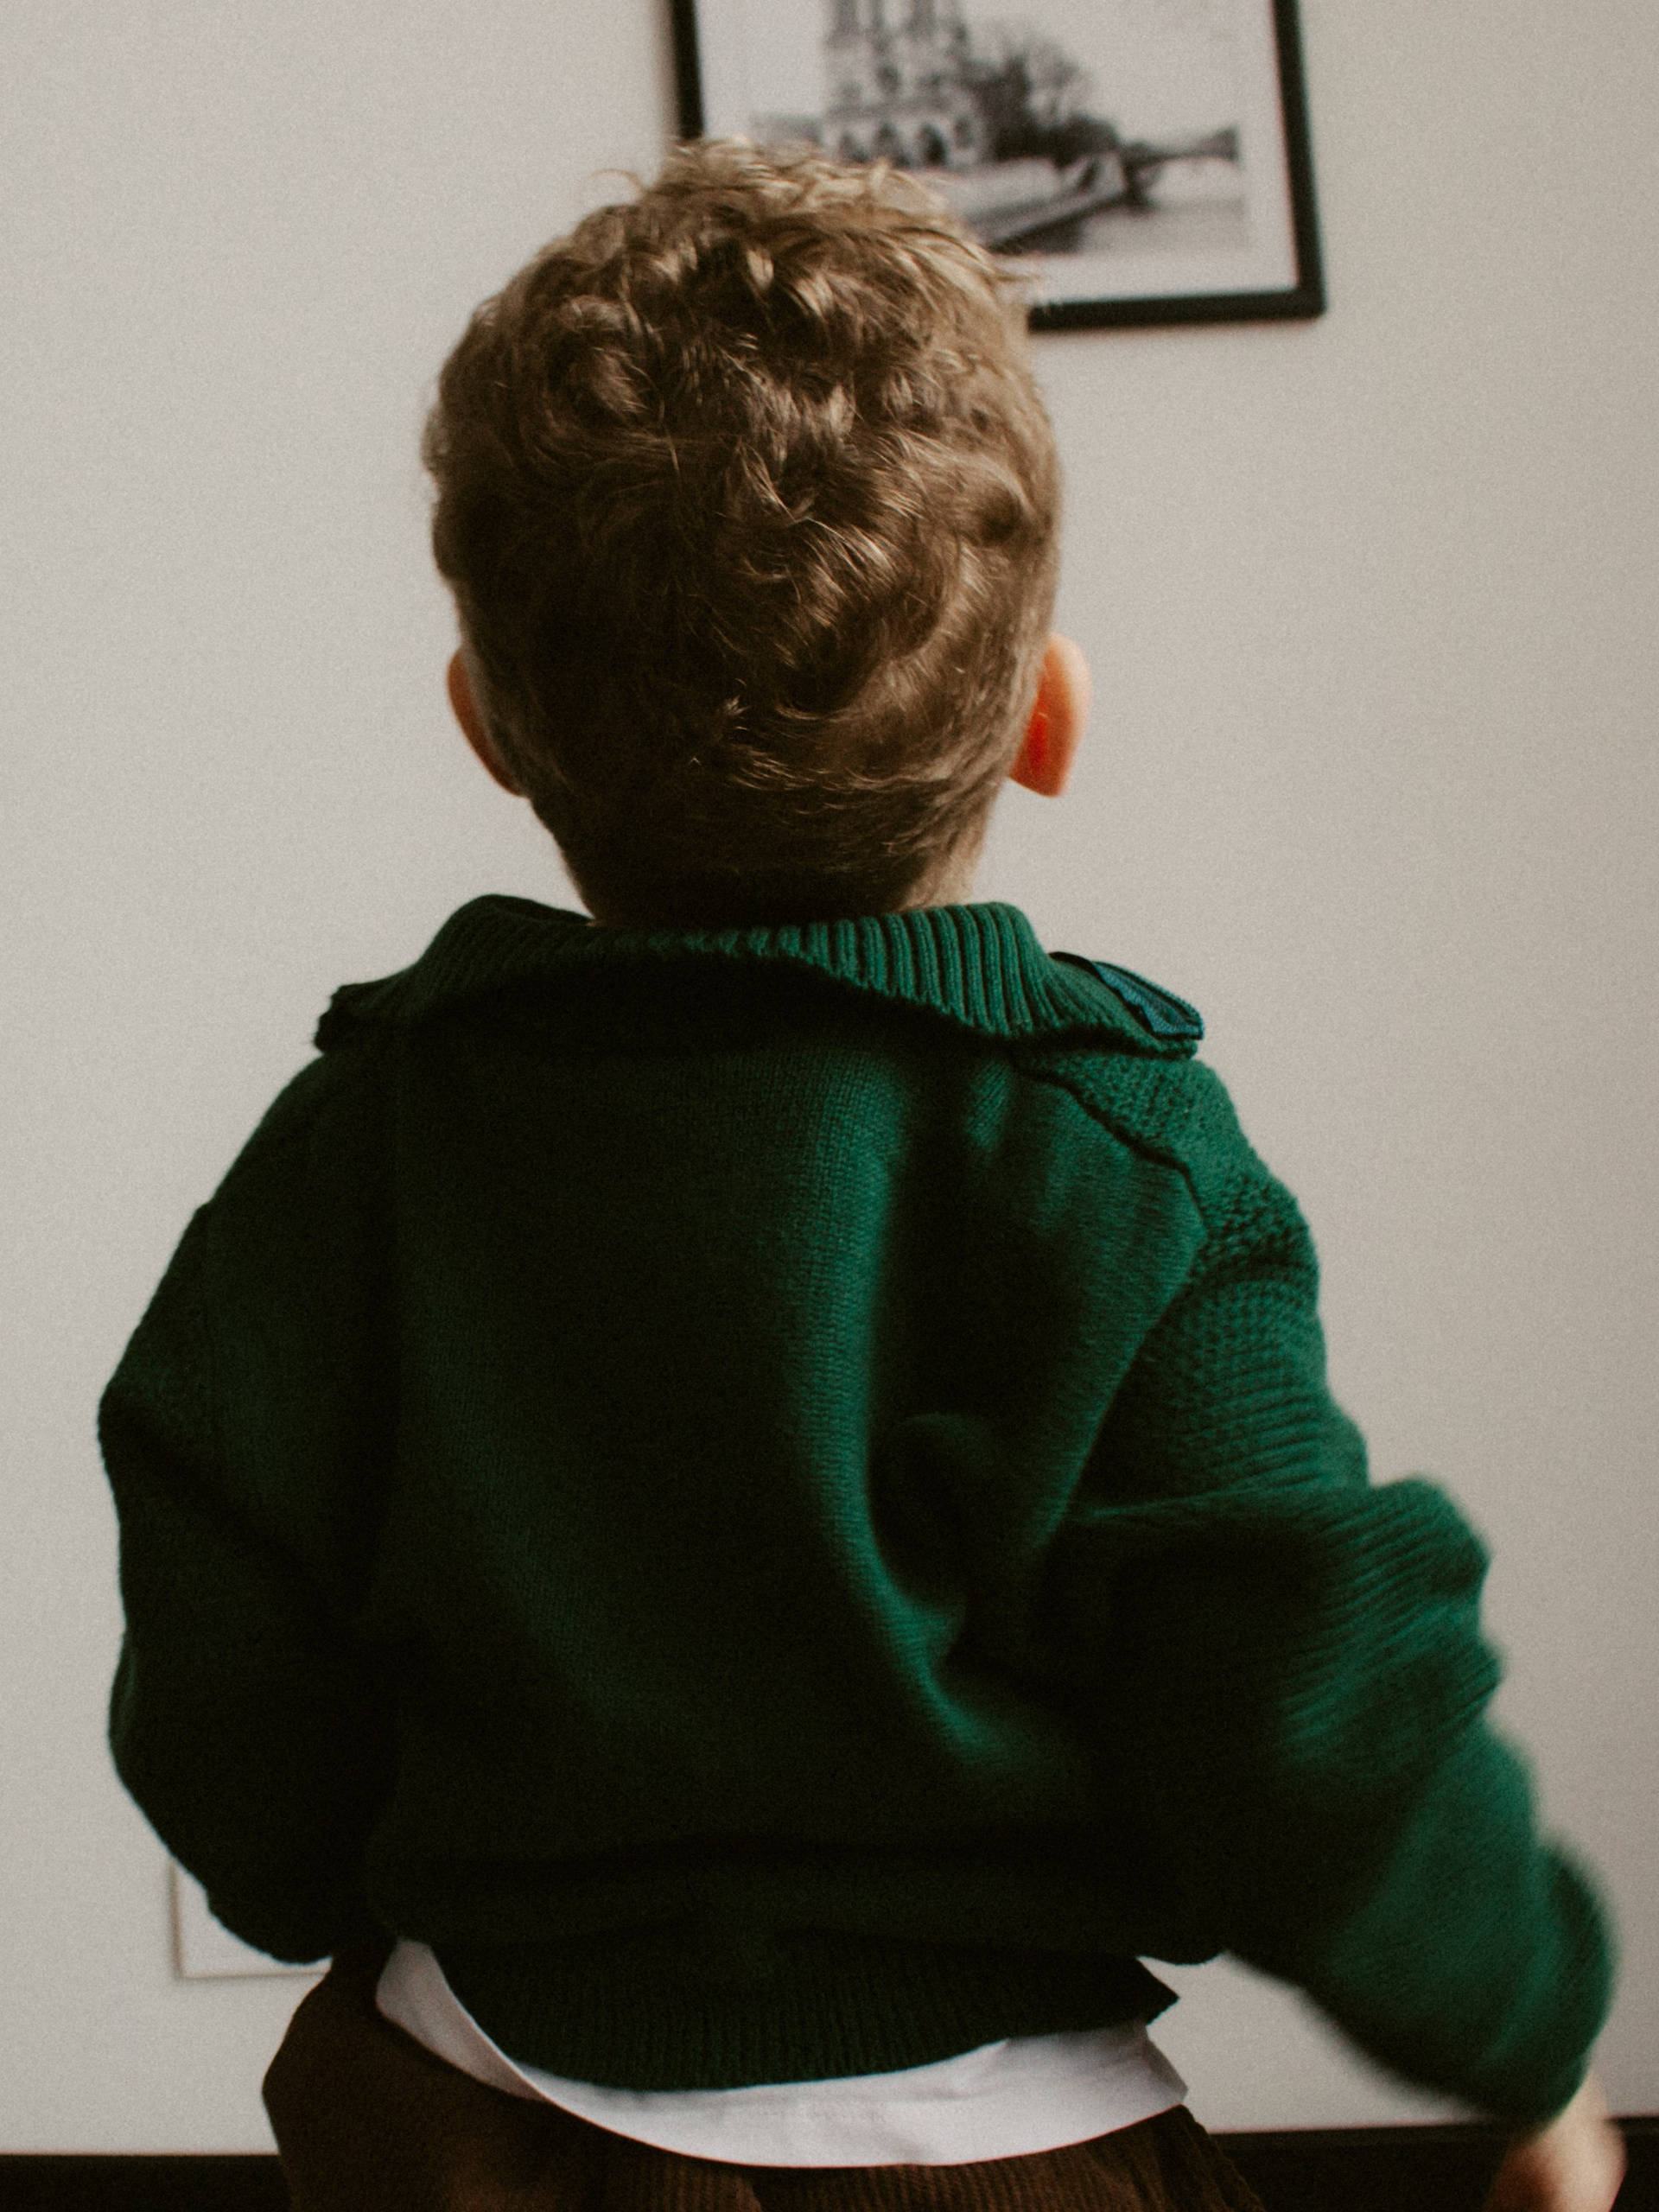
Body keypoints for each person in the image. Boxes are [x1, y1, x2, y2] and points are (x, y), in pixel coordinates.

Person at [97, 142, 1624, 2212]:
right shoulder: (1122, 1167)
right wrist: (1523, 2040)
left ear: (488, 729)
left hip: (470, 2123)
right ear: (1046, 722)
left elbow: (222, 1640)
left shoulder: (355, 1151)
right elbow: (1309, 1703)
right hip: (999, 2149)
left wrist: (322, 1891)